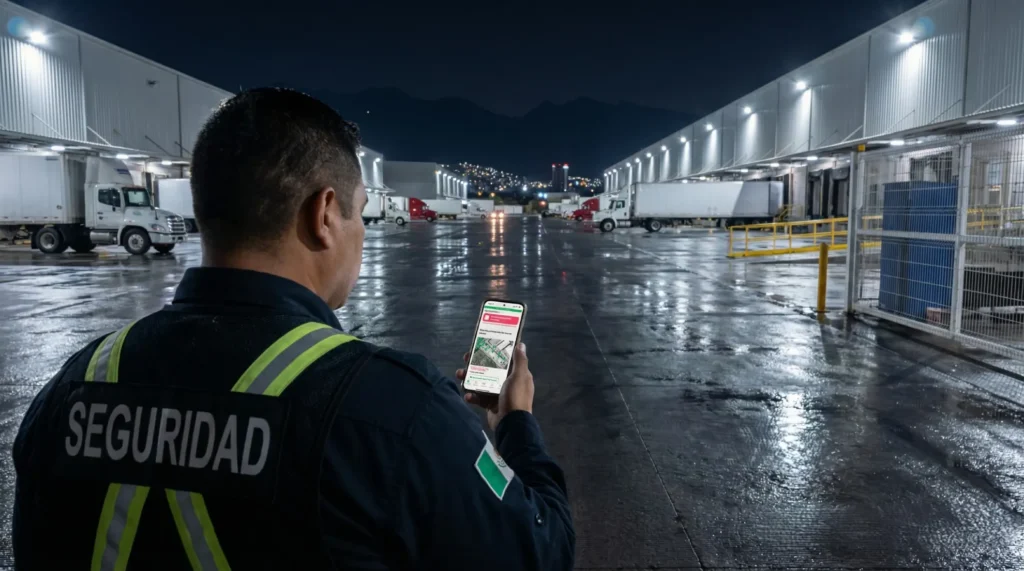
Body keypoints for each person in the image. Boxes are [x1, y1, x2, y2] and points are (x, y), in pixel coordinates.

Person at [12, 88, 575, 570]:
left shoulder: (75, 384)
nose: (360, 231)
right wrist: (515, 423)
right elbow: (541, 549)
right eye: (358, 212)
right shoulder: (395, 409)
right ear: (323, 215)